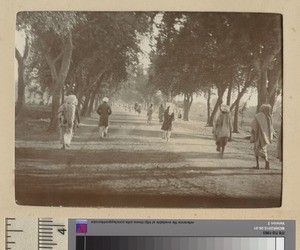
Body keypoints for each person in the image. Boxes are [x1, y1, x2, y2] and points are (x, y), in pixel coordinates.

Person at [250, 104, 274, 169]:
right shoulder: (269, 117)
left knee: (256, 149)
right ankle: (266, 162)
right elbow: (271, 128)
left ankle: (257, 165)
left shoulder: (259, 116)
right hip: (266, 137)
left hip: (259, 135)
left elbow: (253, 124)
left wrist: (253, 133)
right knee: (264, 150)